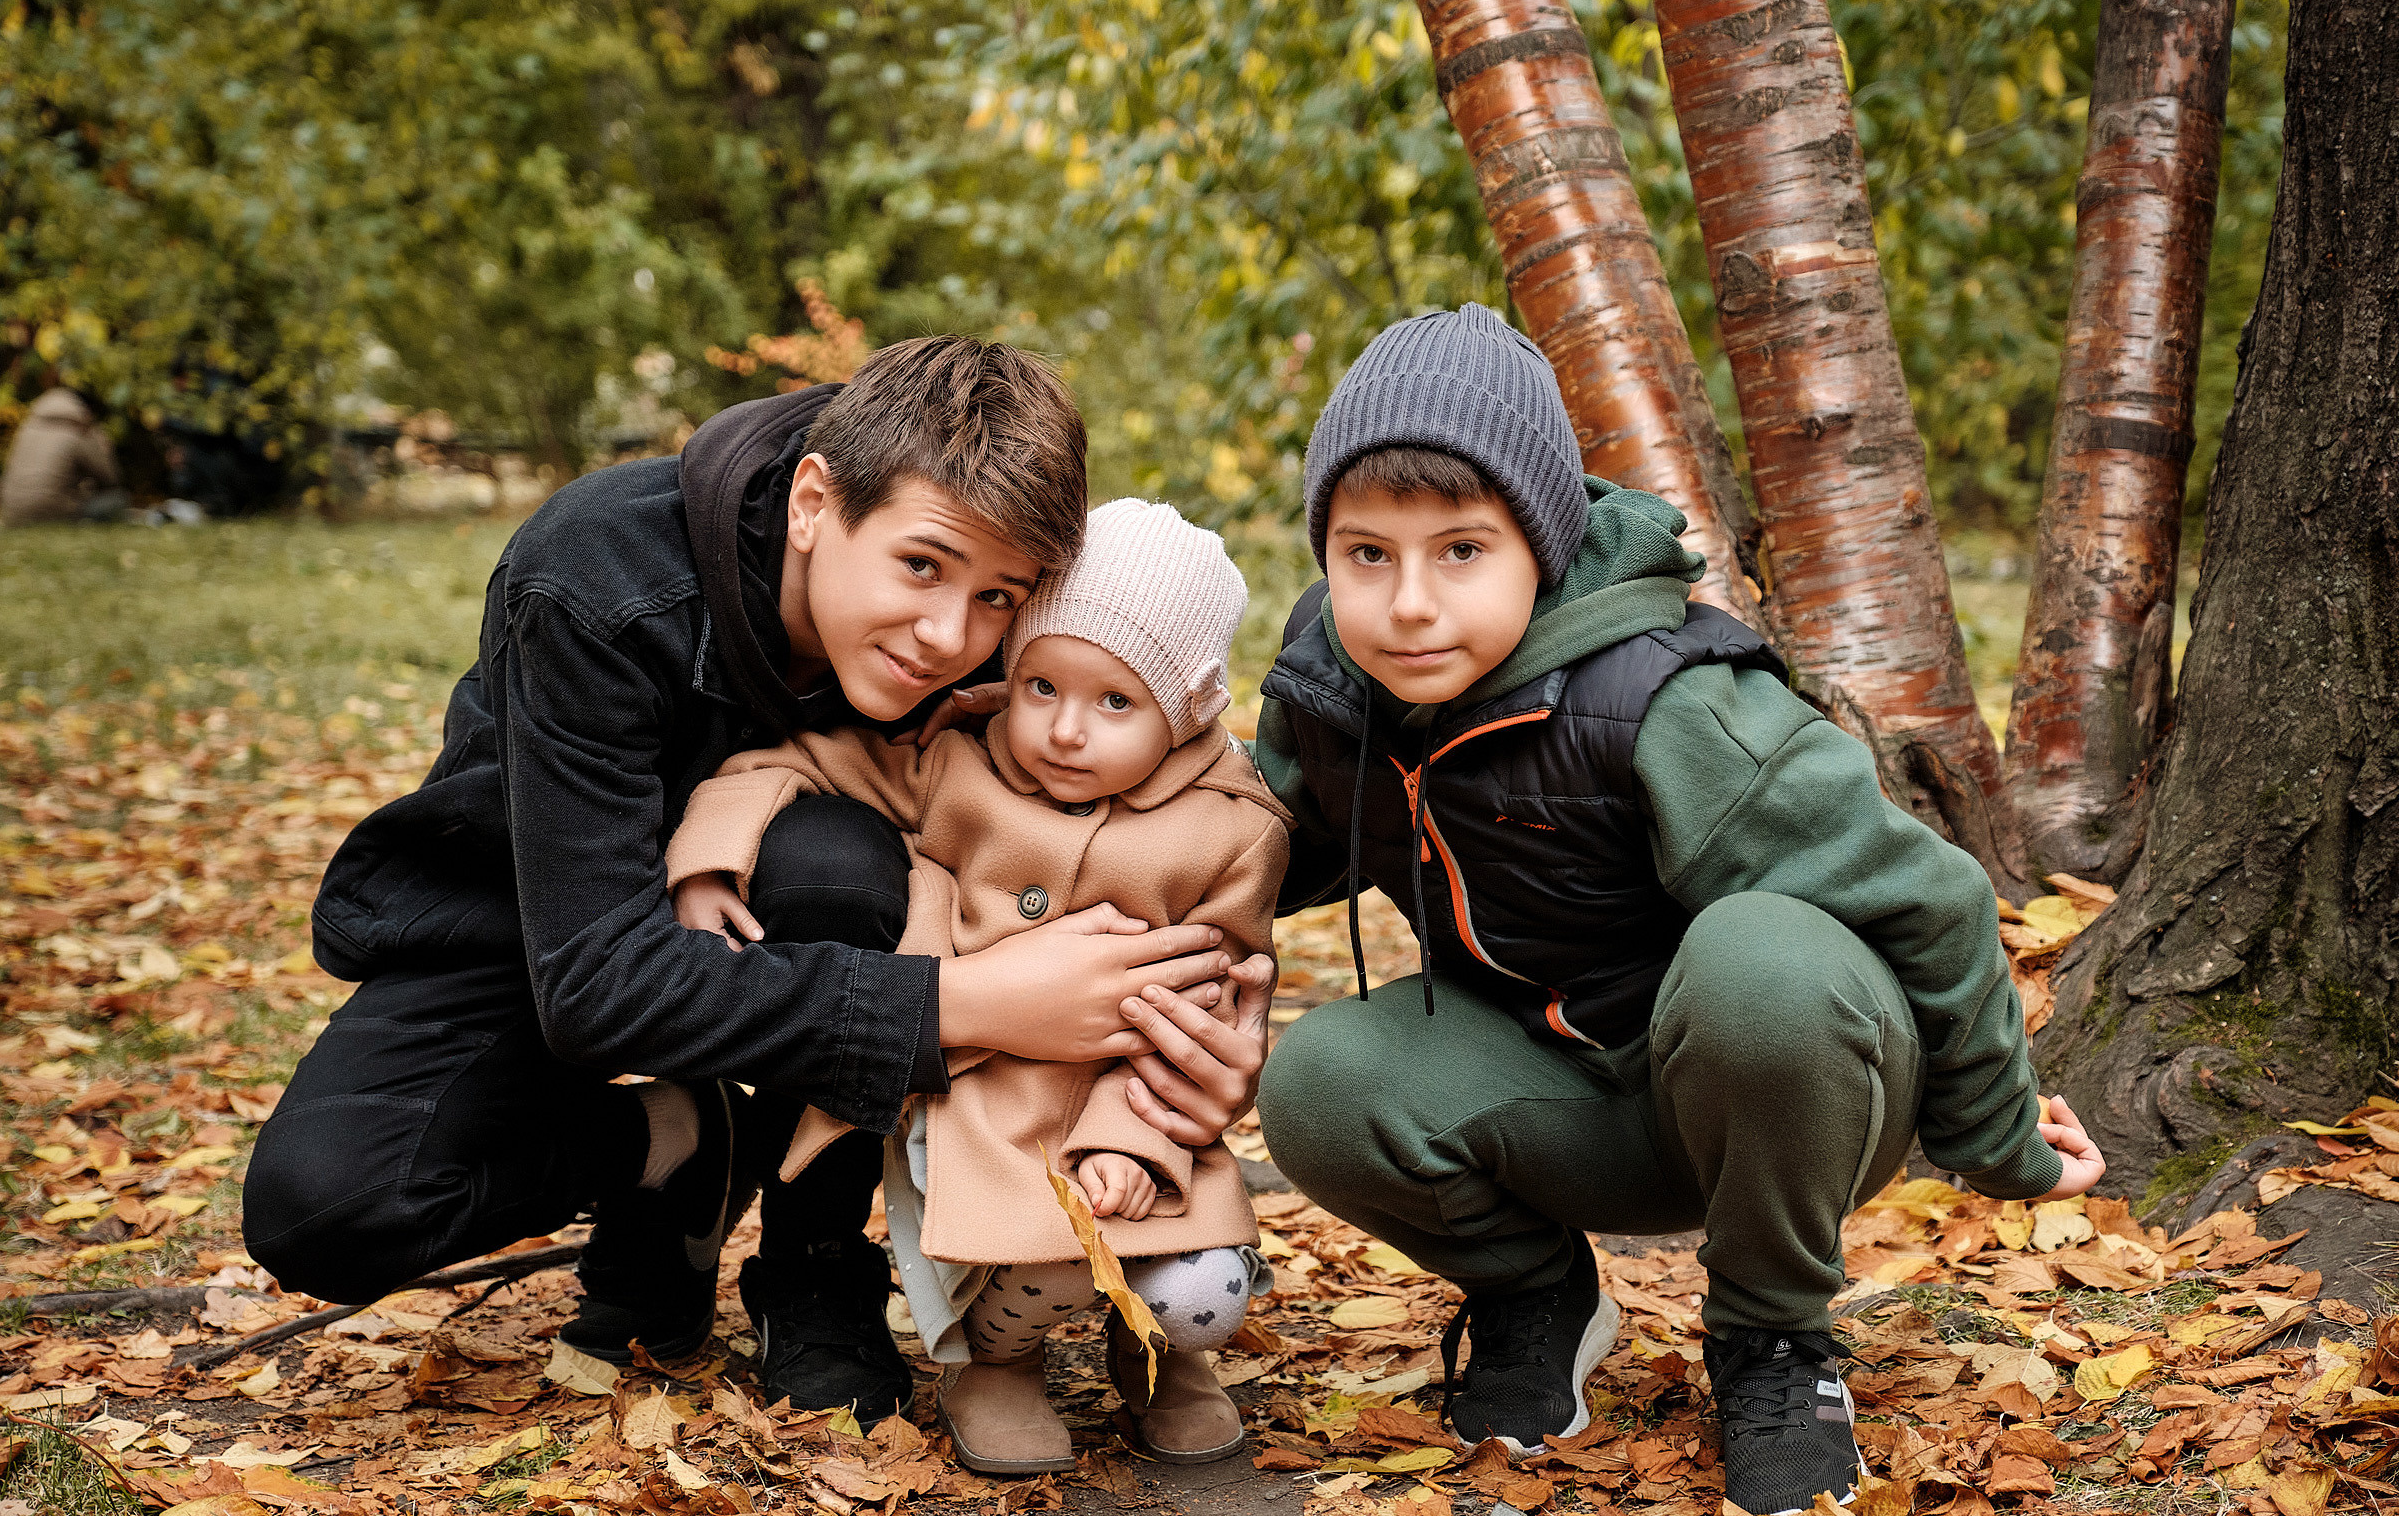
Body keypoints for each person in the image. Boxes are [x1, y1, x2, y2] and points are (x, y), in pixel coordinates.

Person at [243, 338, 1273, 1427]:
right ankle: (676, 1146)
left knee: (834, 866)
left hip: (816, 907)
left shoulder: (997, 616)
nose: (949, 637)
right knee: (330, 1205)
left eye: (996, 598)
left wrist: (1211, 1015)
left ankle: (815, 1263)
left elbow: (1158, 787)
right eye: (921, 567)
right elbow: (592, 986)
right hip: (546, 919)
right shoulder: (597, 581)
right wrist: (971, 1002)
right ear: (815, 503)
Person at [1247, 306, 2107, 1516]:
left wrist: (1999, 1140)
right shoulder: (1336, 685)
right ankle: (1538, 1299)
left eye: (1462, 550)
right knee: (1318, 1079)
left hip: (1784, 1091)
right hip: (1563, 1101)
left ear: (1541, 544)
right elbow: (1242, 848)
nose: (1409, 603)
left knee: (1758, 958)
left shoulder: (1668, 700)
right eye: (1367, 554)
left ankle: (1773, 1340)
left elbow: (1935, 898)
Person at [667, 500, 1286, 1473]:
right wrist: (711, 857)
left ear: (1192, 707)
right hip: (984, 1103)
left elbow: (1209, 1004)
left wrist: (1129, 1138)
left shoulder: (1230, 831)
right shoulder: (958, 760)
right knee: (1039, 1260)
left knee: (1200, 1290)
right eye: (1040, 685)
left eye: (1115, 703)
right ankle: (995, 1365)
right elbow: (798, 761)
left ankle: (1160, 1354)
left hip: (1139, 1107)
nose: (1064, 730)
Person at [2, 385, 125, 526]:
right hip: (51, 514)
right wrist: (101, 444)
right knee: (117, 499)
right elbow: (109, 478)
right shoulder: (76, 429)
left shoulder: (28, 428)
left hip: (13, 513)